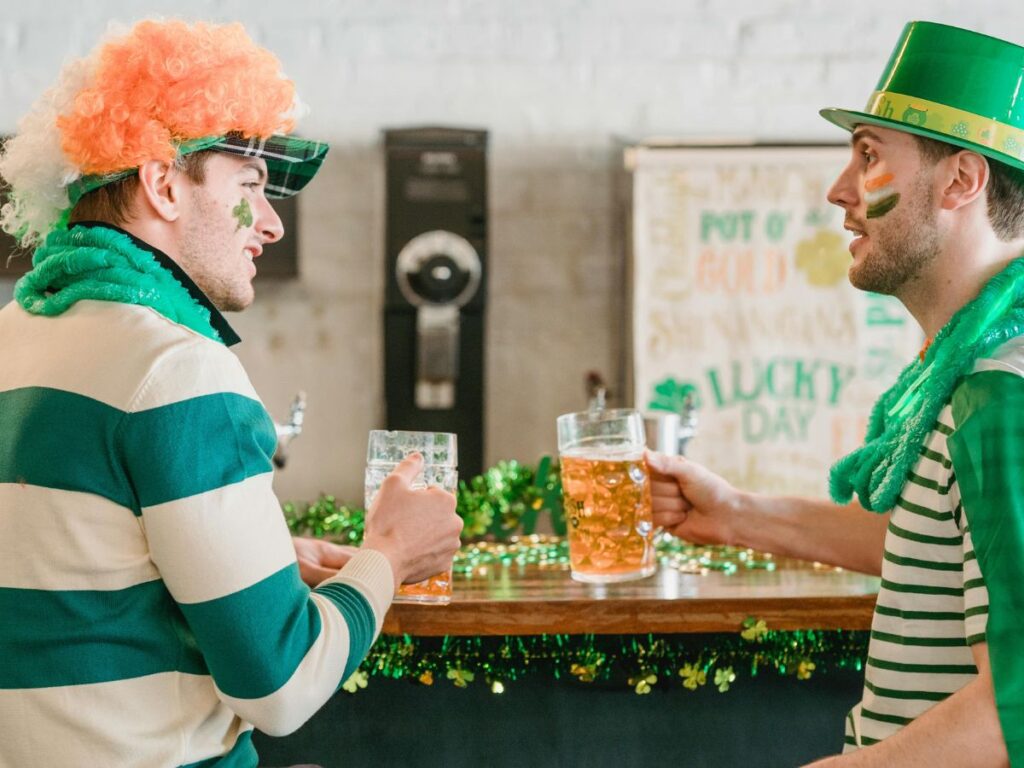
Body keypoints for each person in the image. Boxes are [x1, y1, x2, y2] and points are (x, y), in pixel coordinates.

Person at [0, 18, 463, 767]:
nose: (272, 223)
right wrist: (389, 553)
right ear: (163, 185)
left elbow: (70, 570)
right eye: (250, 184)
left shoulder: (13, 335)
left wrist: (263, 557)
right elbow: (281, 689)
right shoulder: (177, 369)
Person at [649, 21, 1024, 767]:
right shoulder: (963, 371)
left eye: (870, 157)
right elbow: (938, 546)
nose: (840, 191)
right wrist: (738, 516)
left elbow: (1017, 706)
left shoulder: (1002, 396)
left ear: (961, 180)